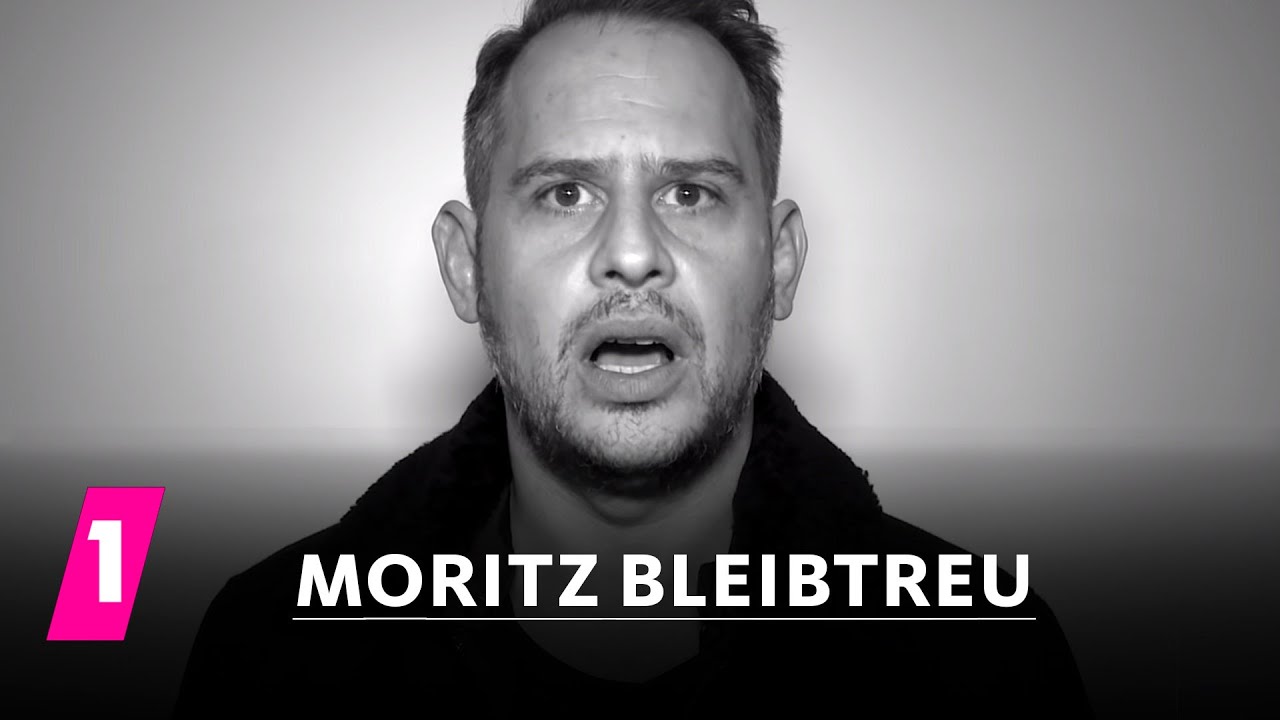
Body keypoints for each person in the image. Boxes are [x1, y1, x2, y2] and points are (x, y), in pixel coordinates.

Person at [175, 1, 1091, 716]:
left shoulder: (989, 664)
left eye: (689, 193)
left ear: (779, 263)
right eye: (565, 193)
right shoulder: (270, 656)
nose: (631, 252)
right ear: (466, 268)